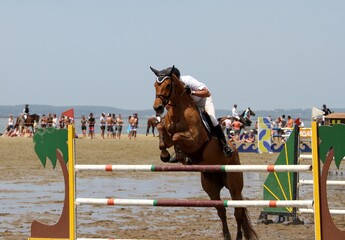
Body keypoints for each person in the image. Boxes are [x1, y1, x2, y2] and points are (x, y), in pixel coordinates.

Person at [169, 66, 233, 158]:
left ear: (178, 78)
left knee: (212, 119)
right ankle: (178, 151)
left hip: (204, 100)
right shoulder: (174, 88)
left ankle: (224, 145)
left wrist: (191, 92)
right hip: (192, 105)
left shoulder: (188, 80)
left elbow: (207, 93)